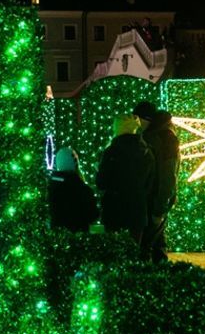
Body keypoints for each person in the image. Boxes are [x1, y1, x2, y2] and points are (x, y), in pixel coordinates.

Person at [95, 114, 156, 243]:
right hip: (137, 210)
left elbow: (101, 182)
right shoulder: (146, 151)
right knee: (134, 251)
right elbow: (150, 183)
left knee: (115, 252)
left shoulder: (111, 152)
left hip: (114, 210)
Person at [132, 100, 180, 262]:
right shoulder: (156, 135)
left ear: (146, 119)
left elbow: (168, 174)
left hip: (156, 200)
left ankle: (151, 280)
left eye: (137, 119)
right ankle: (160, 280)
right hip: (153, 199)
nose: (136, 123)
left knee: (146, 245)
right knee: (157, 243)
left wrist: (160, 207)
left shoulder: (164, 138)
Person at [47, 147, 98, 233]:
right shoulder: (79, 187)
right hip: (79, 235)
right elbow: (92, 214)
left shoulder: (53, 183)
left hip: (58, 235)